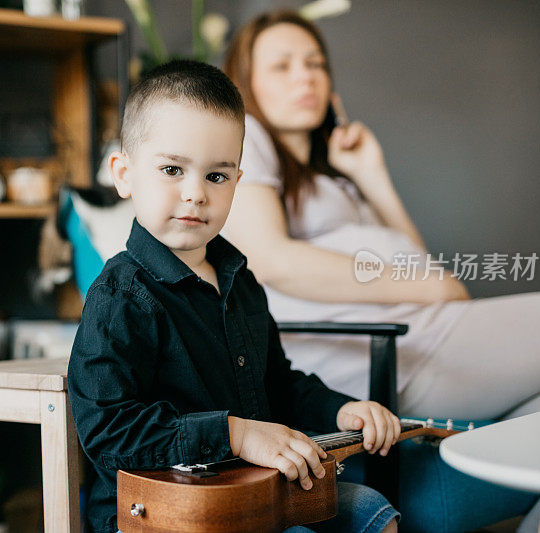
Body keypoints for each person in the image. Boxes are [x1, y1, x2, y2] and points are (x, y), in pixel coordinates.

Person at [67, 60, 401, 533]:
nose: (195, 194)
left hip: (254, 491)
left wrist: (340, 409)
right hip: (160, 513)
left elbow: (278, 384)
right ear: (124, 173)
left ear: (236, 184)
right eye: (171, 169)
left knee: (371, 510)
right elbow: (108, 431)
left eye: (216, 177)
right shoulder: (120, 296)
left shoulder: (240, 281)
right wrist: (235, 434)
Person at [221, 10, 540, 421]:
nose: (305, 77)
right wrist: (431, 287)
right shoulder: (247, 135)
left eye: (315, 63)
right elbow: (273, 260)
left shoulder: (333, 178)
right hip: (380, 352)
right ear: (246, 81)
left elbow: (413, 258)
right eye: (282, 66)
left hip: (417, 332)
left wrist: (371, 176)